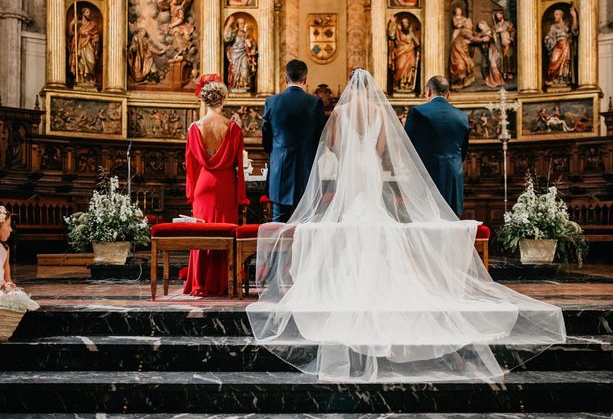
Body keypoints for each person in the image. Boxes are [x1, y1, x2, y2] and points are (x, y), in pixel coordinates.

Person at [246, 68, 566, 383]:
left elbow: (327, 146)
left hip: (348, 171)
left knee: (347, 222)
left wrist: (346, 152)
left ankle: (346, 274)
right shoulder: (378, 113)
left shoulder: (341, 112)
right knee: (373, 217)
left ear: (349, 88)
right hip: (369, 169)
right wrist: (367, 152)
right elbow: (382, 150)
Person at [183, 74, 247, 296]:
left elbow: (190, 164)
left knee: (201, 233)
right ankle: (221, 283)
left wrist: (192, 190)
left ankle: (199, 283)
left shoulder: (194, 127)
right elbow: (239, 163)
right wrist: (240, 192)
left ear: (204, 100)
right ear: (223, 100)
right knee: (225, 233)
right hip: (225, 184)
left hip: (203, 184)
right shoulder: (233, 128)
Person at [262, 59, 325, 222]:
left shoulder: (271, 102)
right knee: (306, 221)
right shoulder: (315, 103)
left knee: (278, 221)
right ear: (305, 80)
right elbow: (321, 137)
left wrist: (276, 151)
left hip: (280, 169)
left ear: (285, 79)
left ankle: (279, 248)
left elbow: (266, 138)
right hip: (307, 168)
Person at [404, 75, 469, 216]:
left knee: (426, 224)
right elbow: (463, 151)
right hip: (453, 177)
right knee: (451, 223)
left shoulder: (417, 113)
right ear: (448, 94)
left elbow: (406, 147)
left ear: (428, 91)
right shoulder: (462, 116)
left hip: (425, 178)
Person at [0, 206, 39, 311]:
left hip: (2, 291)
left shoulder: (5, 249)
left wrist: (8, 285)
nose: (11, 229)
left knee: (20, 297)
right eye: (8, 225)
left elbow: (7, 278)